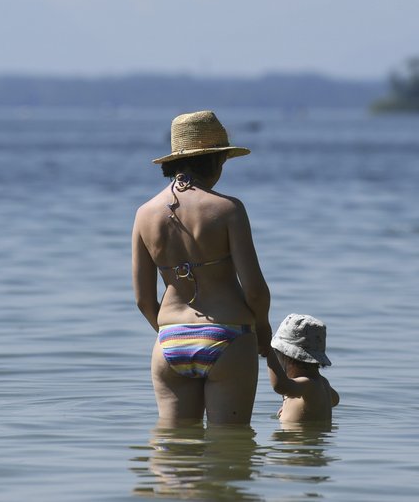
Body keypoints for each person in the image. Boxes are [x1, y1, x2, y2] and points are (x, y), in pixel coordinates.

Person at [132, 110, 272, 425]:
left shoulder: (144, 214)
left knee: (174, 457)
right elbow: (254, 288)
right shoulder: (228, 209)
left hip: (169, 339)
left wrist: (174, 332)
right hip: (229, 335)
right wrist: (263, 330)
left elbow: (142, 299)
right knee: (229, 452)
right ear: (216, 160)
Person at [266, 314, 340, 423]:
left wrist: (268, 352)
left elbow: (280, 386)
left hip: (302, 439)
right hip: (315, 438)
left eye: (278, 358)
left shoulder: (307, 385)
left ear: (290, 359)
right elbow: (335, 400)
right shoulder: (323, 383)